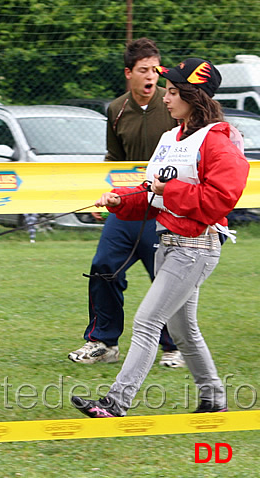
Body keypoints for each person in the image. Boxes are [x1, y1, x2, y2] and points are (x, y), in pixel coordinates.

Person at [71, 57, 250, 418]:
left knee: (148, 321)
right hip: (167, 244)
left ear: (194, 97)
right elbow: (151, 192)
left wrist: (170, 190)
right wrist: (120, 200)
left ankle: (115, 402)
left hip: (195, 246)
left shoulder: (219, 141)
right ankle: (214, 399)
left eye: (173, 92)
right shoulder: (172, 137)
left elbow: (220, 200)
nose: (165, 98)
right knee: (184, 332)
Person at [68, 38, 184, 367]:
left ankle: (175, 347)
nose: (151, 76)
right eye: (144, 70)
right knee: (103, 266)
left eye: (156, 70)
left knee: (166, 278)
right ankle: (104, 343)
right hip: (129, 205)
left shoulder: (174, 106)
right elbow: (113, 160)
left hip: (165, 209)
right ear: (128, 73)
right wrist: (107, 196)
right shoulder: (115, 109)